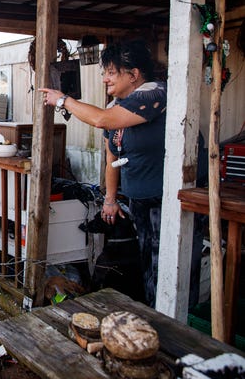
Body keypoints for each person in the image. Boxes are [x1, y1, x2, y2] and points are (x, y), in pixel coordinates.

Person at [40, 39, 166, 307]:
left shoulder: (154, 93)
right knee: (146, 264)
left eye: (111, 72)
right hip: (138, 200)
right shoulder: (116, 106)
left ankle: (169, 324)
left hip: (165, 201)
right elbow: (112, 155)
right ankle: (151, 312)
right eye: (103, 73)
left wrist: (63, 100)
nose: (104, 80)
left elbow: (100, 120)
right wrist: (110, 199)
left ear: (134, 74)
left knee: (164, 266)